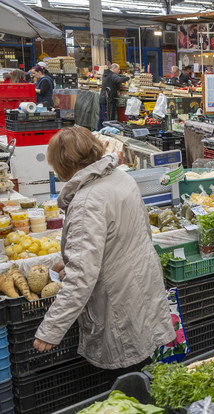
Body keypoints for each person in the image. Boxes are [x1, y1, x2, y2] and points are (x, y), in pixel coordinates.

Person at [33, 126, 175, 377]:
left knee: (127, 385)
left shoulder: (88, 201)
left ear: (64, 162)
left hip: (117, 303)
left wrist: (51, 329)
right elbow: (131, 234)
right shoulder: (121, 177)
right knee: (142, 371)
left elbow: (81, 277)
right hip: (140, 289)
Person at [97, 63, 130, 131]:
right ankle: (106, 133)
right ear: (114, 68)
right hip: (108, 100)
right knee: (108, 119)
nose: (119, 70)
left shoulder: (107, 74)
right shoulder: (111, 75)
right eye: (118, 69)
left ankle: (99, 132)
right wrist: (127, 78)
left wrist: (123, 76)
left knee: (101, 118)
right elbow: (119, 80)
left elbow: (118, 76)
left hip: (103, 99)